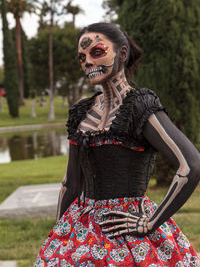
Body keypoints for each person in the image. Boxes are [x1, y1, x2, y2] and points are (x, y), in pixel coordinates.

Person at [35, 22, 200, 267]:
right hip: (80, 231)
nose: (87, 62)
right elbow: (71, 184)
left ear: (122, 54)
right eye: (82, 57)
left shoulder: (139, 106)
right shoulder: (81, 112)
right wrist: (58, 237)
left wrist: (148, 222)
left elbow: (191, 164)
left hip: (126, 232)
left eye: (97, 52)